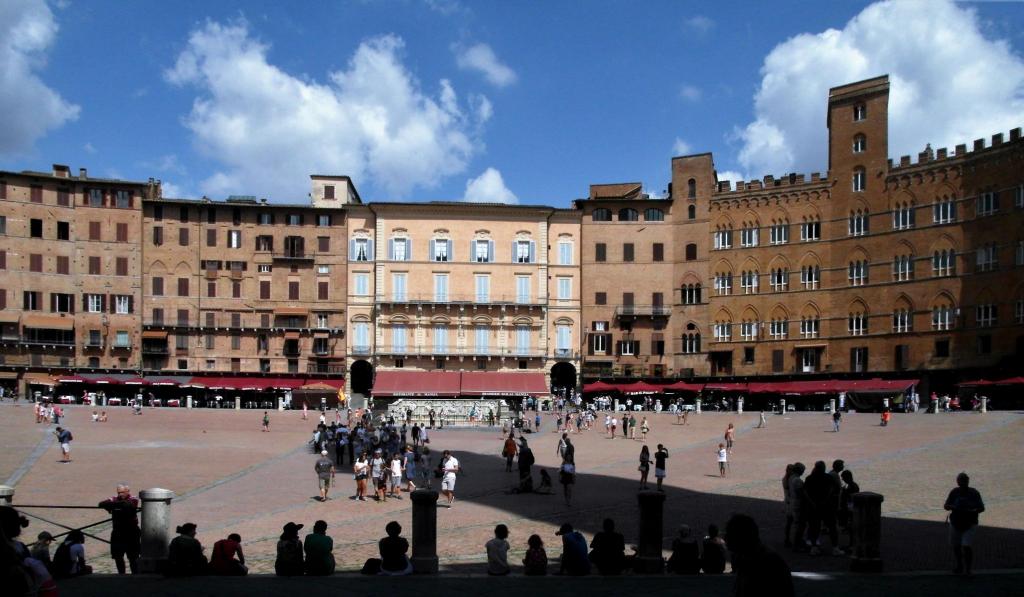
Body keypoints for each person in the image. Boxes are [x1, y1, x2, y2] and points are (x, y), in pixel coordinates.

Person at [726, 514, 794, 597]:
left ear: (740, 538)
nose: (725, 539)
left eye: (729, 535)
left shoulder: (765, 564)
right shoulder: (747, 558)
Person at [944, 472, 985, 575]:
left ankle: (967, 569)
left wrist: (972, 511)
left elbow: (981, 508)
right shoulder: (954, 492)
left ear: (967, 481)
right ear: (958, 482)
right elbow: (946, 505)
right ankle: (960, 566)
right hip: (956, 523)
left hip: (969, 523)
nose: (962, 483)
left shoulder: (974, 493)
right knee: (956, 546)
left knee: (966, 546)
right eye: (961, 480)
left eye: (964, 480)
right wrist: (952, 507)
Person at [98, 483, 141, 574]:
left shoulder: (133, 498)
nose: (120, 494)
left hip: (131, 532)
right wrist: (117, 505)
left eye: (122, 492)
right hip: (118, 532)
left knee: (133, 557)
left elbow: (129, 505)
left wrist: (112, 506)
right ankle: (121, 575)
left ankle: (135, 575)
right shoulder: (114, 498)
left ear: (128, 491)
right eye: (118, 492)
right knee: (118, 556)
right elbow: (101, 504)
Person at [804, 460, 843, 556]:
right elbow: (832, 490)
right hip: (827, 507)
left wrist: (812, 503)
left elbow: (806, 492)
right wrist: (826, 500)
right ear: (823, 468)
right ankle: (835, 548)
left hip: (814, 507)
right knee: (832, 527)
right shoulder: (828, 477)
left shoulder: (809, 478)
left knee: (814, 527)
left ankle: (814, 547)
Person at [838, 470, 859, 549]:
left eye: (843, 478)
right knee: (851, 528)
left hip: (850, 509)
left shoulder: (852, 486)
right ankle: (851, 544)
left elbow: (851, 498)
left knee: (851, 527)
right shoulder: (852, 485)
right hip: (850, 509)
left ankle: (852, 545)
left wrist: (844, 492)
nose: (843, 479)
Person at [559, 438, 576, 506]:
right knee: (565, 489)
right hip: (565, 477)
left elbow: (573, 471)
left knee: (569, 489)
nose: (569, 458)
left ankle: (568, 501)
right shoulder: (564, 463)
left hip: (569, 477)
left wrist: (574, 478)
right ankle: (566, 500)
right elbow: (560, 471)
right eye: (568, 457)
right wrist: (559, 477)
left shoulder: (572, 463)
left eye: (570, 457)